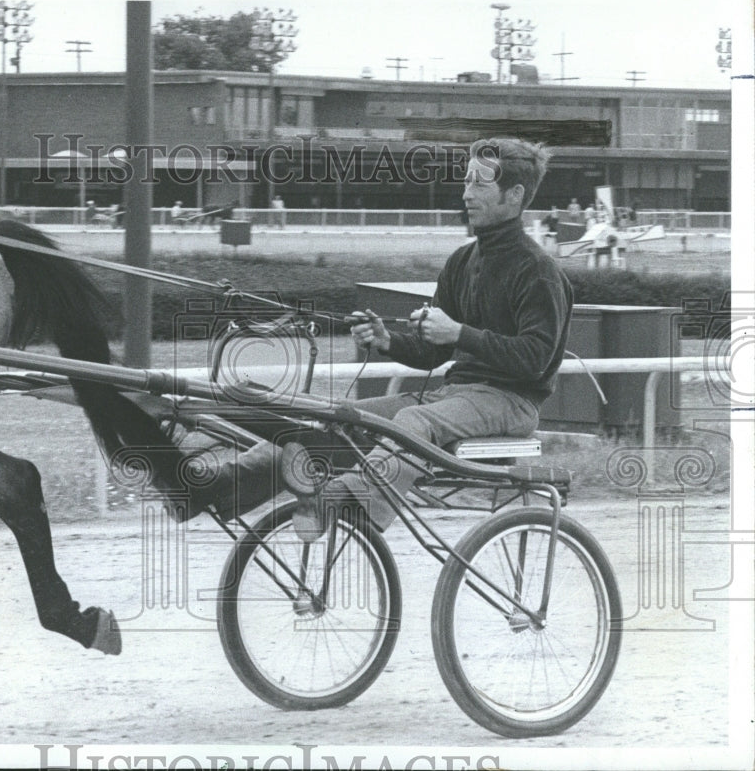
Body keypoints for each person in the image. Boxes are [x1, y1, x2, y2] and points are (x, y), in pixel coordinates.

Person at [179, 137, 573, 538]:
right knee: (337, 419)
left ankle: (350, 501)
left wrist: (460, 332)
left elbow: (536, 359)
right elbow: (431, 355)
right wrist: (388, 342)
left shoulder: (537, 270)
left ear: (515, 195)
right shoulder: (462, 261)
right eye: (466, 181)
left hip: (512, 402)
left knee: (411, 421)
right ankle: (222, 485)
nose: (466, 193)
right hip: (455, 396)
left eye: (480, 184)